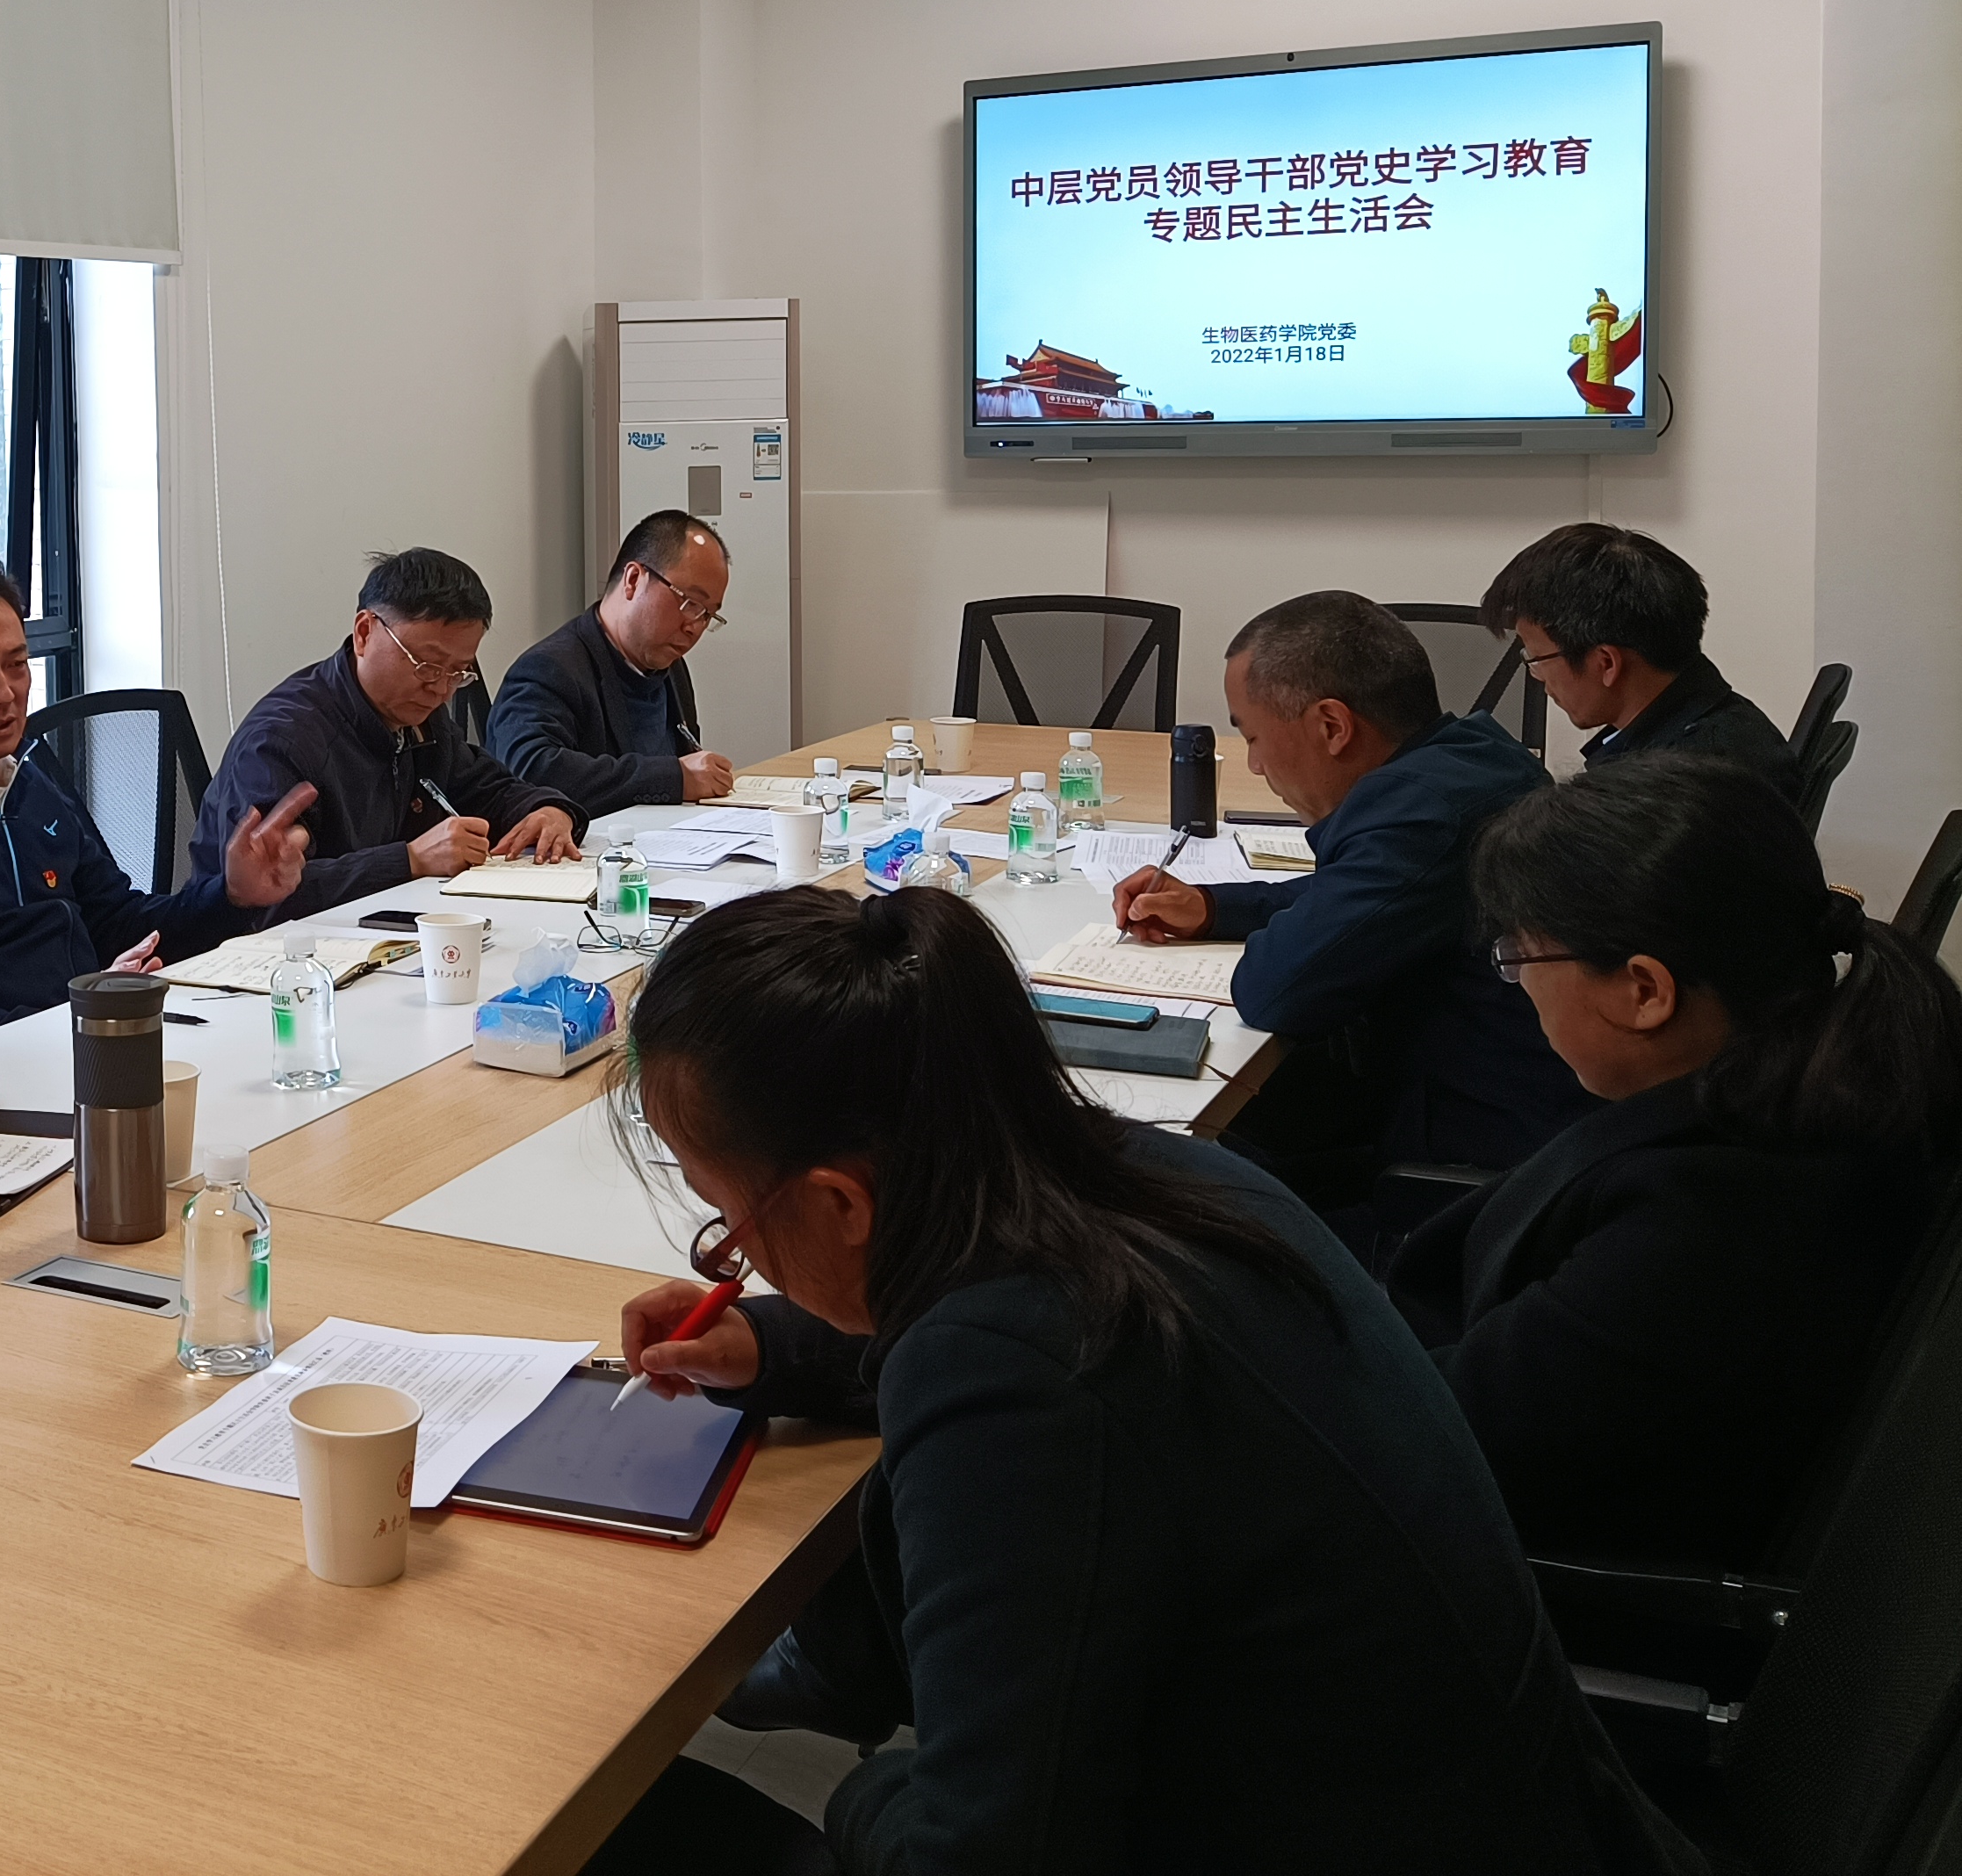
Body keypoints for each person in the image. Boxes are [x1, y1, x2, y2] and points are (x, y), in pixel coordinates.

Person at [588, 884, 1692, 1875]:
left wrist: (863, 1795)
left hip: (1349, 1832)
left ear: (840, 1203)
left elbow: (986, 1854)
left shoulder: (1013, 1387)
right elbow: (1012, 1314)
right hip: (1526, 1812)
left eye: (727, 1221)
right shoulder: (1158, 1174)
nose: (733, 1255)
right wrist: (774, 1345)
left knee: (633, 1826)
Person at [1390, 753, 1962, 1571]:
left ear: (1644, 991)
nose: (1518, 981)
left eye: (1524, 957)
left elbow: (1436, 1447)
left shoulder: (1706, 1226)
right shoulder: (1819, 1092)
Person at [1108, 591, 1579, 1220]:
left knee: (1144, 1166)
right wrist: (1213, 908)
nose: (1255, 764)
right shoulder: (1476, 757)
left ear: (1332, 726)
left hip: (1465, 1170)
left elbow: (1275, 988)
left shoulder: (1417, 818)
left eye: (1254, 737)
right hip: (1512, 1122)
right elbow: (1366, 896)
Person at [0, 552, 316, 1032]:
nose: (4, 693)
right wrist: (77, 1018)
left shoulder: (27, 775)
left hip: (80, 1041)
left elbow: (119, 924)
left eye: (16, 664)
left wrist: (232, 895)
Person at [189, 548, 577, 917]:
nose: (442, 690)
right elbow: (268, 893)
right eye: (427, 665)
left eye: (458, 672)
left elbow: (484, 787)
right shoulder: (281, 742)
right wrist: (410, 860)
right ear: (364, 633)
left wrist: (548, 810)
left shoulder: (420, 717)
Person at [1481, 521, 1795, 784]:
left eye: (1537, 659)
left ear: (1606, 663)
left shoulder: (1674, 787)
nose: (1539, 678)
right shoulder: (1718, 722)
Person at [486, 511, 735, 817]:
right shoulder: (549, 668)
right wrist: (672, 777)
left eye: (708, 615)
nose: (694, 627)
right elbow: (530, 770)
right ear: (633, 580)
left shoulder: (672, 667)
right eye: (690, 603)